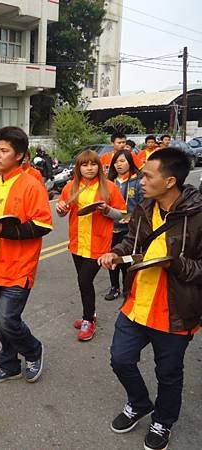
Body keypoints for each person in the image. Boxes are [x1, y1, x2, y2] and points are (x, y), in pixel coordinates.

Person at [98, 148, 202, 450]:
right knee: (120, 359)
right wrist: (117, 254)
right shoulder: (145, 208)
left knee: (168, 374)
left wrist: (175, 263)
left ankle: (163, 420)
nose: (140, 180)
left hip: (175, 310)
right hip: (137, 302)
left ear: (170, 181)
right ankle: (140, 402)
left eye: (147, 175)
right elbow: (133, 242)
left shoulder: (197, 216)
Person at [0, 126, 52, 383]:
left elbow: (43, 225)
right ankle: (9, 364)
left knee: (7, 319)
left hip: (19, 266)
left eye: (4, 150)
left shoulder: (31, 185)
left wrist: (7, 230)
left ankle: (34, 350)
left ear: (19, 155)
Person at [56, 150, 126, 341]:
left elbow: (122, 215)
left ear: (99, 166)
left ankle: (88, 320)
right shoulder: (71, 186)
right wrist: (60, 208)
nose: (89, 168)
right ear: (78, 167)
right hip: (77, 243)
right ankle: (91, 313)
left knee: (84, 281)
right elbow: (63, 211)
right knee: (83, 281)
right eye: (85, 165)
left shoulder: (109, 187)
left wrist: (107, 210)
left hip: (99, 244)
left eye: (93, 164)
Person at [104, 150, 143, 301]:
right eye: (116, 162)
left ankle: (128, 288)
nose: (119, 165)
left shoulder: (137, 181)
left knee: (126, 261)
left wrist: (128, 217)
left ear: (130, 162)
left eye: (122, 161)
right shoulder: (109, 182)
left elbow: (142, 207)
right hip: (110, 227)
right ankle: (114, 287)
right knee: (111, 259)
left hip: (128, 230)